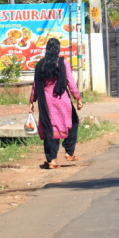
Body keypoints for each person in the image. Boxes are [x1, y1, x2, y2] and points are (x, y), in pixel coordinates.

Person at [29, 38, 83, 170]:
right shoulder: (62, 62)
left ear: (47, 49)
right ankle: (69, 152)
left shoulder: (40, 64)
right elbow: (70, 81)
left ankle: (52, 160)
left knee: (50, 129)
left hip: (46, 102)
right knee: (73, 122)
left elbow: (36, 85)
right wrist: (77, 98)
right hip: (61, 100)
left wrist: (31, 101)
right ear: (58, 49)